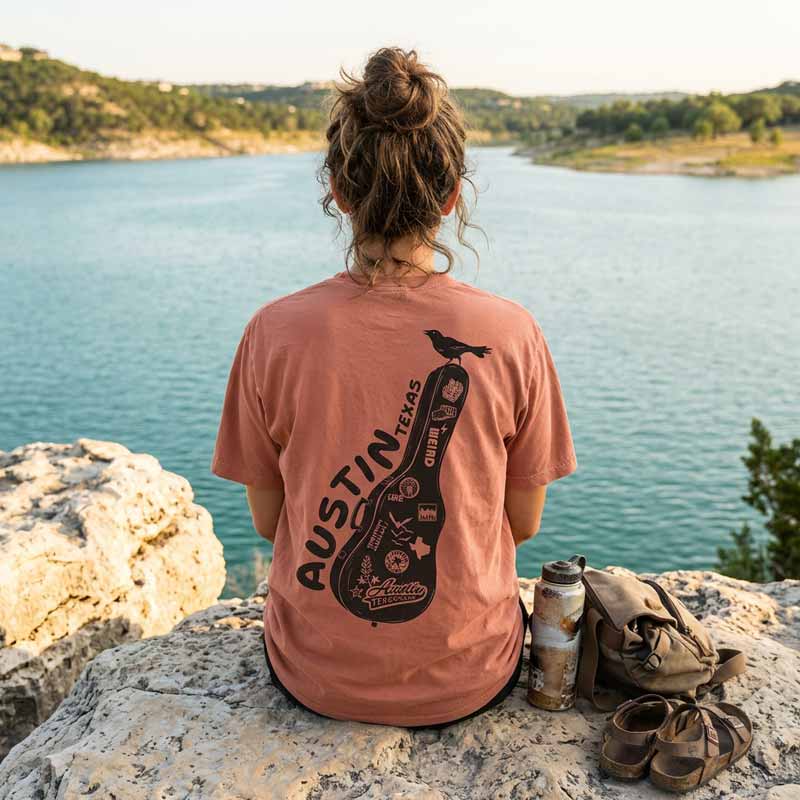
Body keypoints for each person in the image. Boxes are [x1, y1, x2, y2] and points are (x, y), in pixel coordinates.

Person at [211, 46, 577, 729]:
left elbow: (267, 522)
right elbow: (523, 523)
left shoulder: (272, 330)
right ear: (452, 195)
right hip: (467, 676)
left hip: (314, 673)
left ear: (339, 193)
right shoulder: (512, 331)